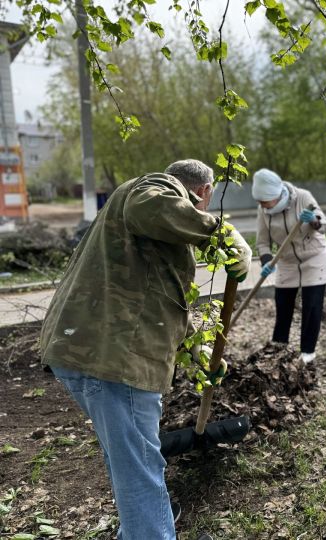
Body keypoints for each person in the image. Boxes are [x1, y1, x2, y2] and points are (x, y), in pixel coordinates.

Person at [39, 159, 252, 540]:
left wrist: (202, 353)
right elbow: (152, 206)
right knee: (139, 466)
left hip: (90, 350)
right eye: (206, 203)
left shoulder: (146, 241)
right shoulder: (151, 188)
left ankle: (140, 530)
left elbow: (160, 303)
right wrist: (221, 235)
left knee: (130, 462)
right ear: (204, 193)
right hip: (114, 358)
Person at [251, 168, 326, 364]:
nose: (261, 205)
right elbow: (262, 242)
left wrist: (313, 220)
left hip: (314, 256)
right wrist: (266, 260)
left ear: (276, 195)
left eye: (264, 201)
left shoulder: (302, 197)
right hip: (286, 260)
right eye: (259, 201)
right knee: (283, 304)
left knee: (312, 305)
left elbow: (325, 225)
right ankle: (278, 350)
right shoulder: (263, 210)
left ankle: (307, 354)